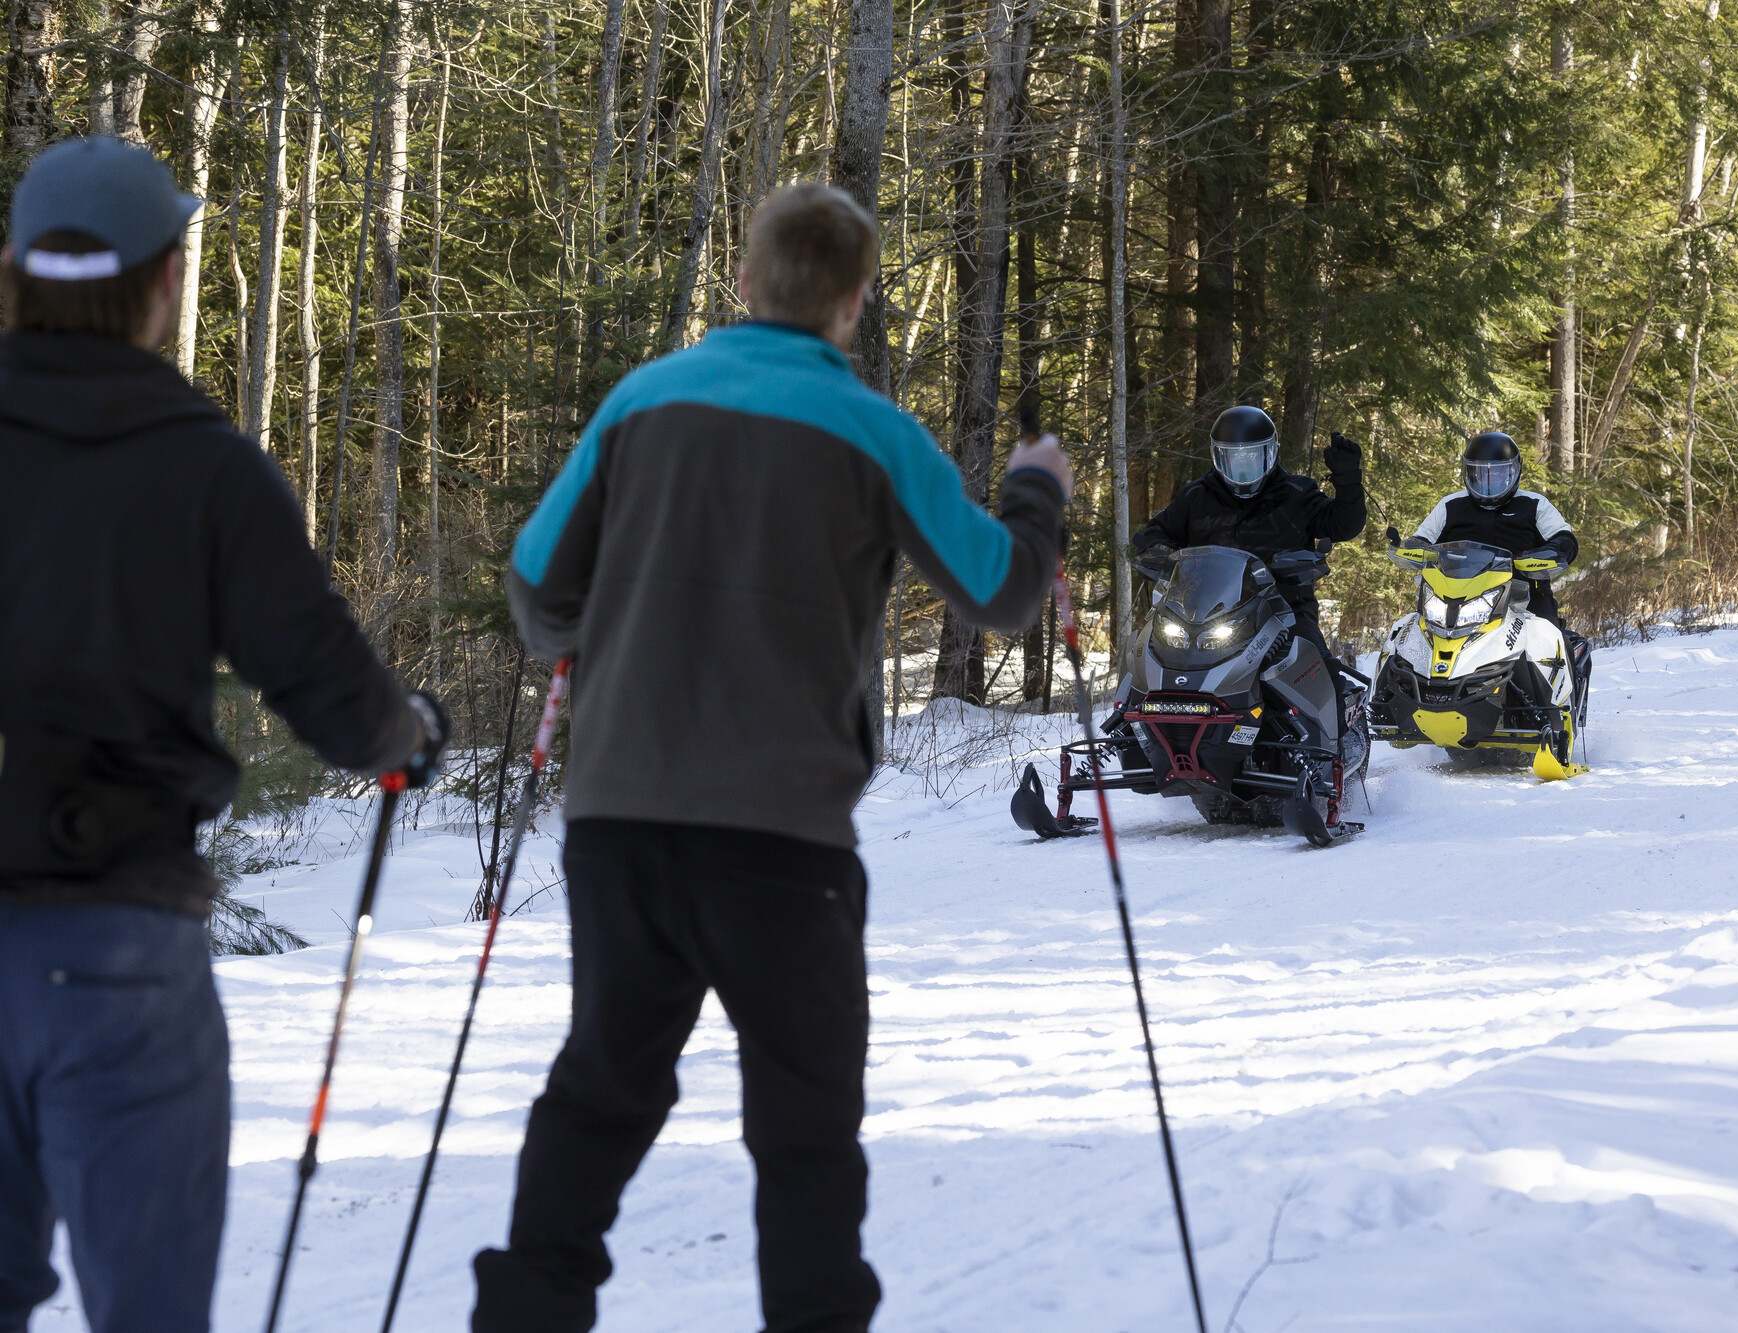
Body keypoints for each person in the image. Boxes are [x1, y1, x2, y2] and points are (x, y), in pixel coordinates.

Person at [476, 182, 1069, 1333]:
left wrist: (586, 637)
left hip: (621, 826)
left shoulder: (641, 401)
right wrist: (1037, 492)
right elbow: (999, 588)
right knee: (802, 1131)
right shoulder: (872, 433)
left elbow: (538, 586)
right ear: (852, 303)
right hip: (782, 838)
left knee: (600, 1090)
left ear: (743, 282)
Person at [0, 137, 446, 1333]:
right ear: (161, 282)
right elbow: (336, 695)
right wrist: (413, 732)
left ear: (14, 276)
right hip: (117, 951)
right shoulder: (207, 470)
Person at [1131, 405, 1367, 663]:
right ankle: (1131, 704)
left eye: (1253, 456)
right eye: (1233, 458)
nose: (1243, 467)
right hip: (1203, 617)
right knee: (1145, 659)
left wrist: (1348, 482)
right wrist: (1157, 551)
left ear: (1271, 452)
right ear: (1218, 457)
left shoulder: (1296, 494)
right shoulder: (1197, 496)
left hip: (1283, 611)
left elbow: (1344, 525)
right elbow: (1159, 531)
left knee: (1315, 663)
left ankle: (1339, 698)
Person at [1406, 429, 1577, 626]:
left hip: (1523, 600)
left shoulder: (1534, 504)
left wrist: (1552, 552)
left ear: (1514, 471)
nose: (1488, 481)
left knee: (1548, 639)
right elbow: (1423, 539)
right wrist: (1413, 547)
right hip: (1457, 601)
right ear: (1469, 473)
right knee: (1406, 635)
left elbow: (1564, 538)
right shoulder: (1450, 505)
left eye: (1497, 472)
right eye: (1480, 473)